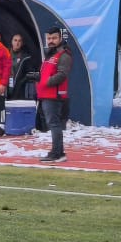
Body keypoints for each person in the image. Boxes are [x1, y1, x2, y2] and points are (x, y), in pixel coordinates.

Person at [35, 28, 73, 162]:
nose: (51, 41)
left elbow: (62, 74)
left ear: (60, 38)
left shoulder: (64, 55)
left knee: (54, 124)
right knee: (53, 124)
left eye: (54, 38)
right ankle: (57, 151)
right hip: (46, 94)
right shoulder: (50, 54)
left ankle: (57, 153)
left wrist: (46, 82)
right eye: (49, 38)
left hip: (54, 96)